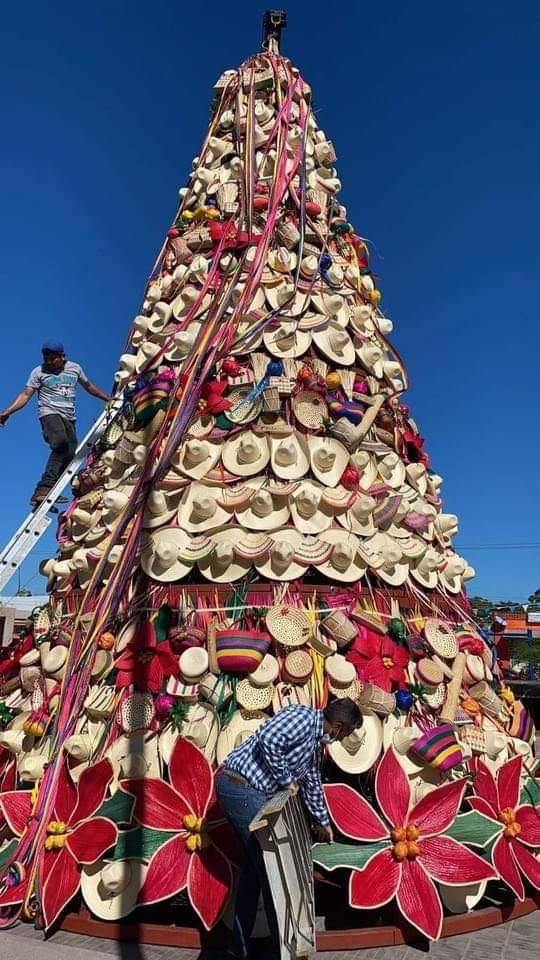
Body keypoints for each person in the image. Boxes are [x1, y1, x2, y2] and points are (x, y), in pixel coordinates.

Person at [216, 698, 363, 960]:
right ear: (337, 726)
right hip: (241, 788)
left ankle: (237, 949)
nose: (342, 740)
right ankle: (284, 951)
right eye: (346, 734)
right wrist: (286, 781)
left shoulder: (316, 744)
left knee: (254, 871)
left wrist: (322, 822)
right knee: (274, 874)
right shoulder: (301, 717)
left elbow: (312, 782)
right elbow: (268, 740)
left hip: (249, 792)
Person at [0, 341, 110, 507]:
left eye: (52, 358)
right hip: (49, 413)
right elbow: (25, 395)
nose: (48, 361)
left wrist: (107, 398)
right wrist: (8, 411)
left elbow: (88, 386)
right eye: (46, 358)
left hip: (69, 417)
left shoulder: (75, 368)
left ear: (62, 357)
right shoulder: (38, 372)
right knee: (60, 445)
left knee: (70, 455)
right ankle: (44, 488)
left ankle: (46, 493)